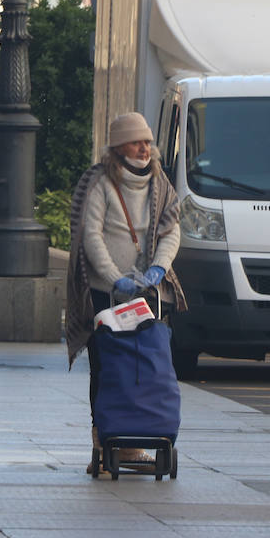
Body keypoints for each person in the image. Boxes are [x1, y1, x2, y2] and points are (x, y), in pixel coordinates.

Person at [65, 112, 187, 475]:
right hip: (106, 294)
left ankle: (135, 444)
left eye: (148, 142)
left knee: (144, 368)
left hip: (148, 292)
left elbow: (171, 231)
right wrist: (115, 278)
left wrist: (159, 270)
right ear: (118, 148)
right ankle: (103, 444)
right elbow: (91, 236)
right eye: (137, 142)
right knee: (105, 368)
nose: (144, 148)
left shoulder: (160, 183)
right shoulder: (100, 183)